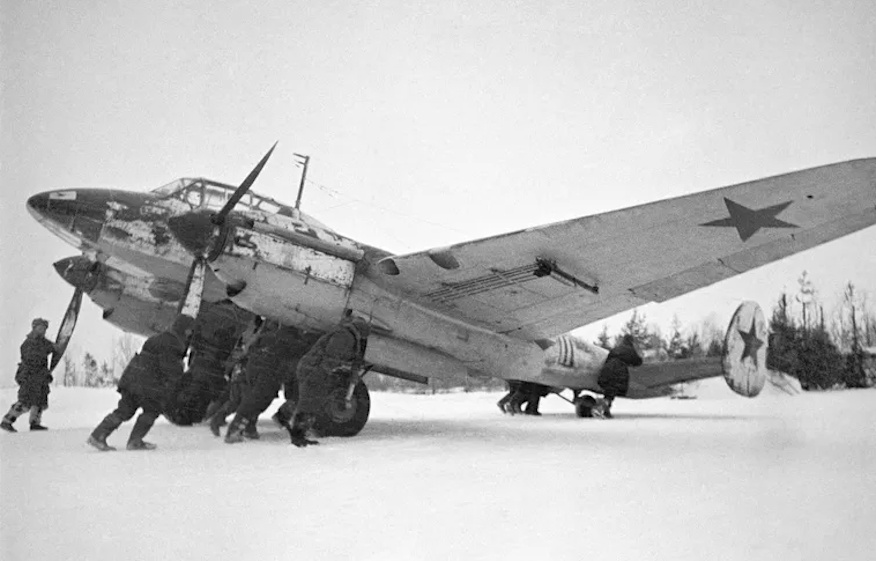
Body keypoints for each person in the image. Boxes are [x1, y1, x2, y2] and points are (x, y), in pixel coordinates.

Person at [86, 314, 195, 451]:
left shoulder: (158, 338)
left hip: (132, 380)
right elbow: (170, 370)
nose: (191, 333)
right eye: (190, 330)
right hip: (147, 385)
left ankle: (98, 435)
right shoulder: (173, 343)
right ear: (184, 329)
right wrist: (184, 382)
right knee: (152, 409)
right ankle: (135, 441)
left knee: (124, 410)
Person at [281, 313, 369, 447]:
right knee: (308, 403)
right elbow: (331, 357)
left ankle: (289, 426)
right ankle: (298, 437)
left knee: (308, 401)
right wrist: (323, 374)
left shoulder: (345, 334)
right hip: (315, 370)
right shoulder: (345, 336)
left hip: (313, 368)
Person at [223, 321, 312, 443]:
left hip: (255, 368)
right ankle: (235, 430)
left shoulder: (268, 336)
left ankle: (246, 428)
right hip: (270, 372)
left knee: (254, 399)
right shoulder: (296, 343)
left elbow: (250, 349)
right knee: (257, 400)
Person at [1, 318, 59, 432]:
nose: (42, 330)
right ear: (34, 328)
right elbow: (34, 358)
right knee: (25, 402)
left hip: (40, 377)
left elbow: (52, 347)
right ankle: (7, 421)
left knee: (40, 400)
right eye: (40, 328)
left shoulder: (43, 342)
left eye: (44, 328)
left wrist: (56, 347)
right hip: (29, 376)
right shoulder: (29, 343)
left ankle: (35, 423)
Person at [596, 334, 643, 418]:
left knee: (609, 389)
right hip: (619, 370)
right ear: (631, 341)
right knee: (613, 389)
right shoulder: (630, 350)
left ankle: (604, 408)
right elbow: (637, 362)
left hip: (607, 369)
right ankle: (604, 406)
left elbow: (607, 359)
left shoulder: (615, 349)